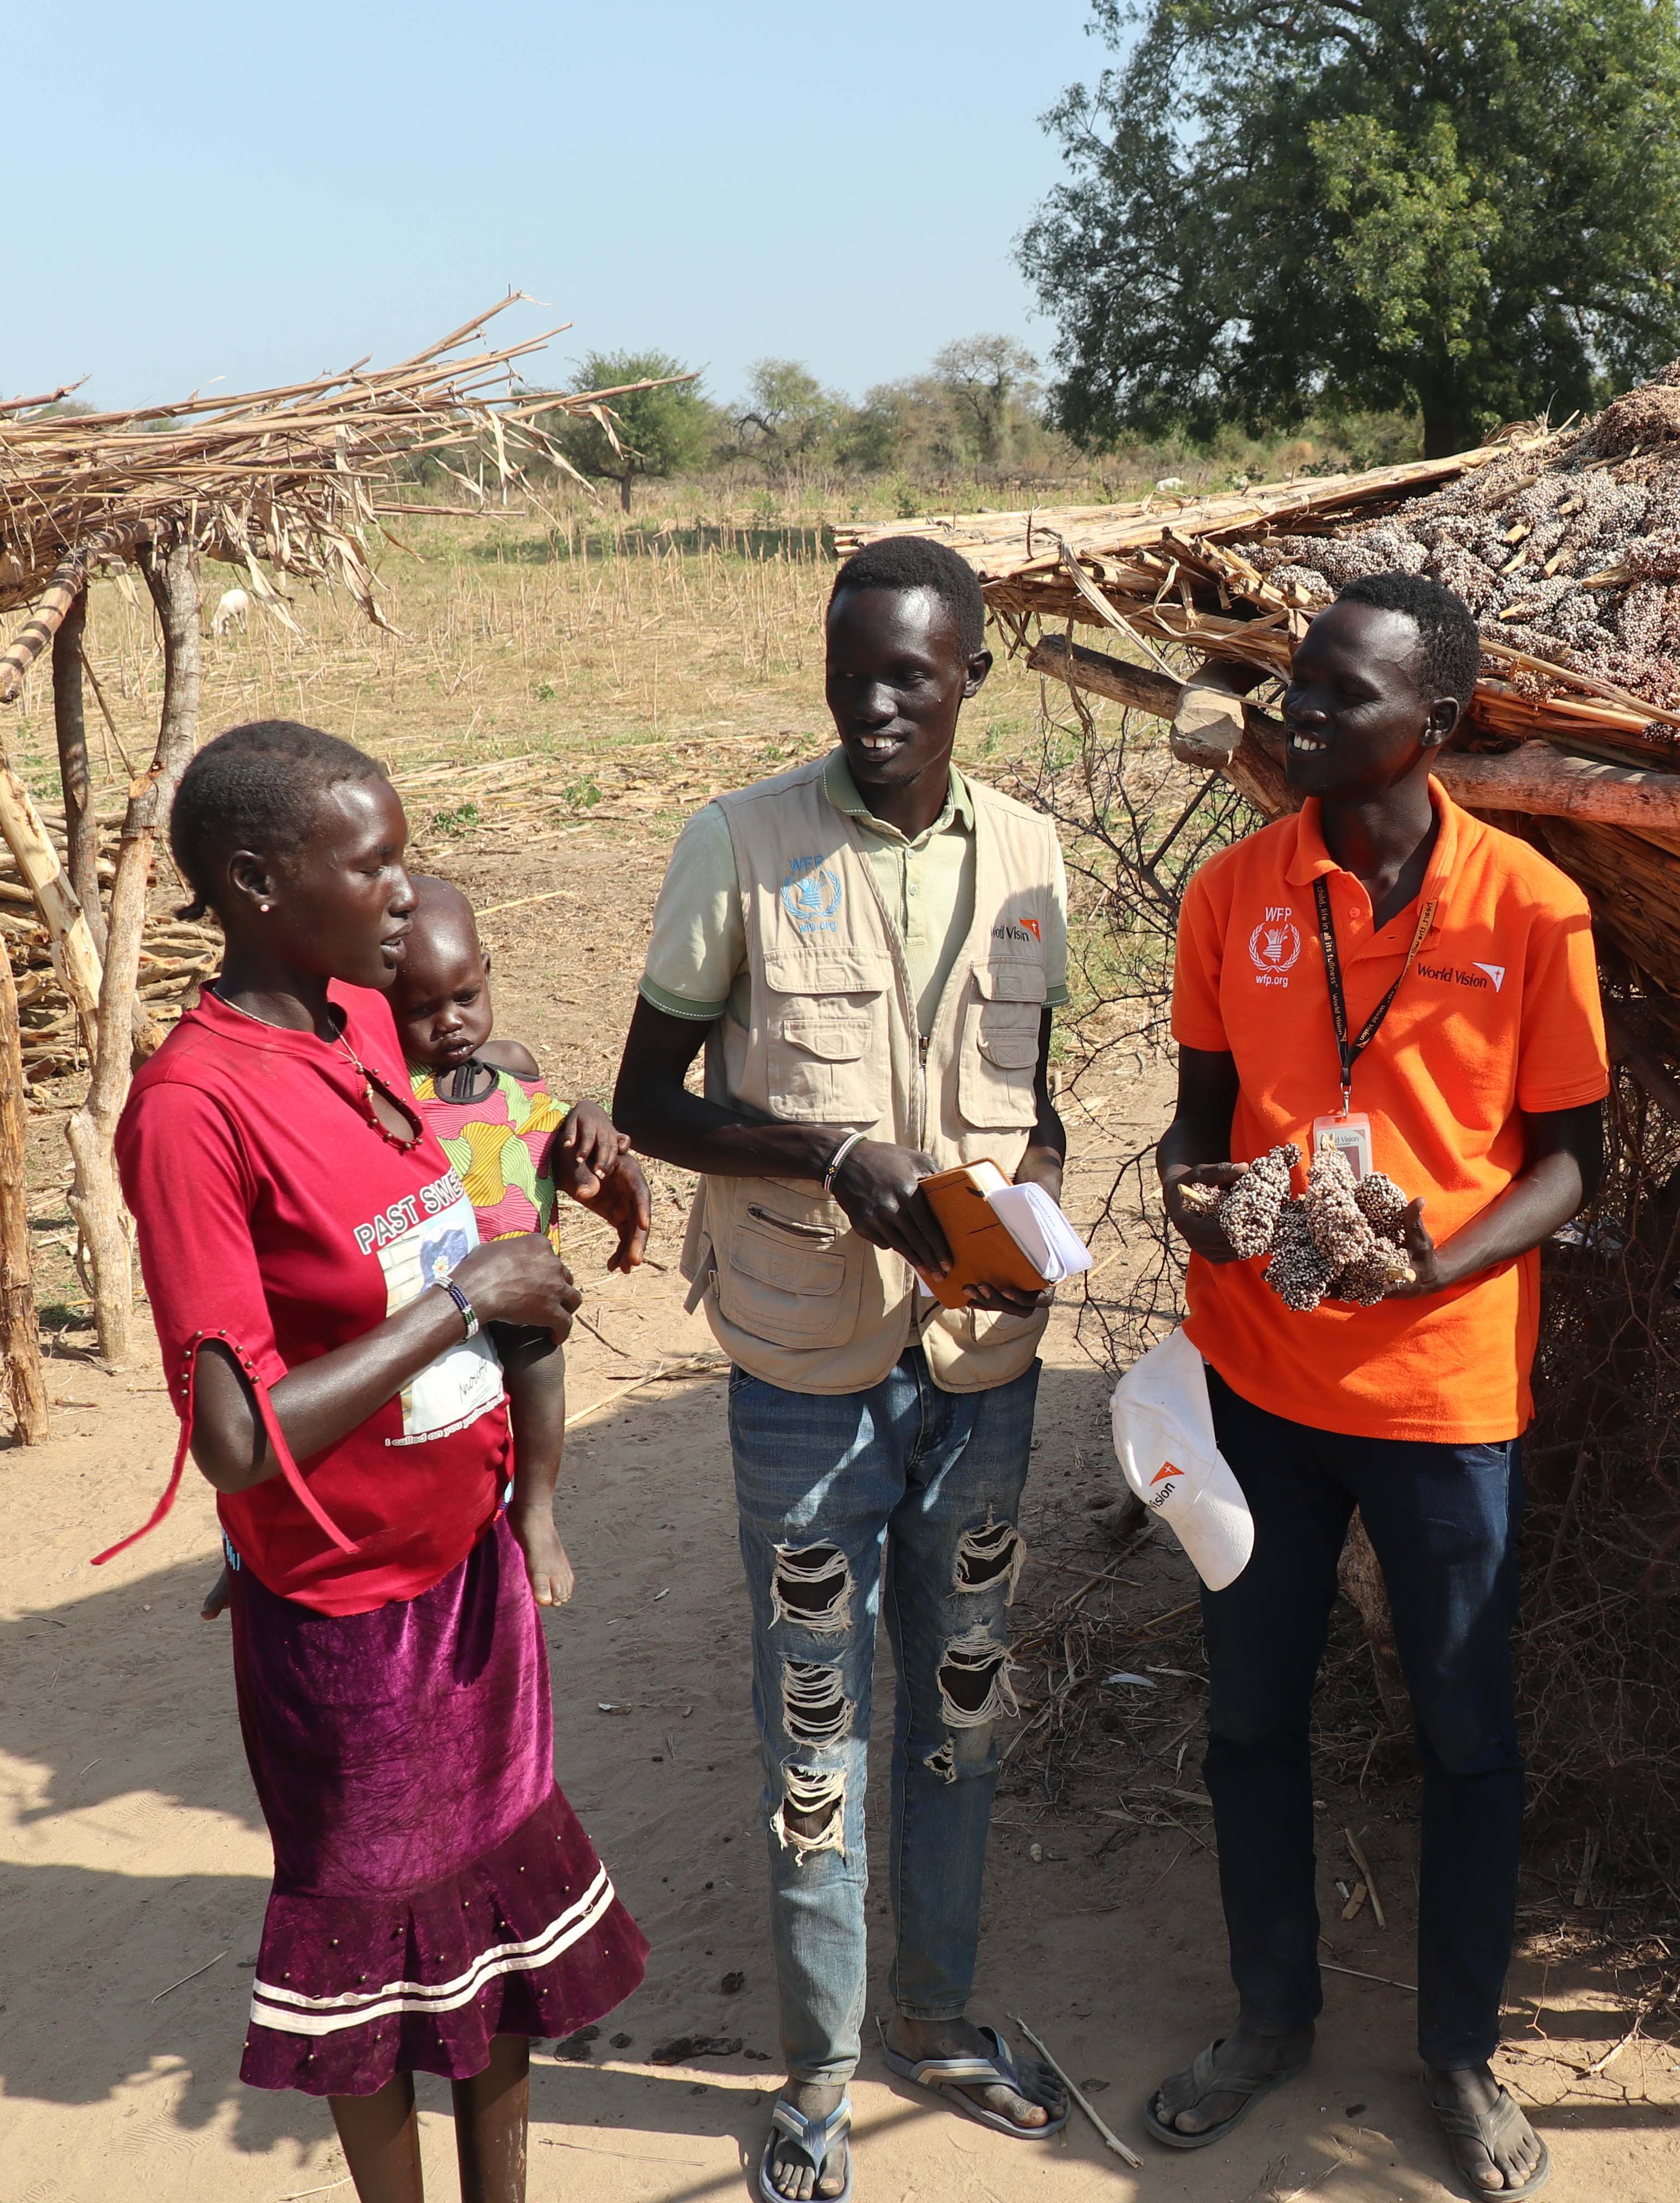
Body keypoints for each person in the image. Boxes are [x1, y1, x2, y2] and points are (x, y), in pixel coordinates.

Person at [101, 719, 647, 2203]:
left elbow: (487, 1087)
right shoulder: (195, 1112)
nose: (403, 892)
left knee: (489, 1948)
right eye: (375, 864)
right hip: (351, 1622)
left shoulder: (350, 1023)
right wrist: (466, 1301)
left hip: (472, 1571)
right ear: (259, 879)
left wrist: (561, 1142)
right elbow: (232, 1435)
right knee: (376, 1979)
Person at [612, 535, 1071, 2202]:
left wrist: (1037, 1213)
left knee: (964, 1704)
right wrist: (833, 1157)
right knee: (816, 1724)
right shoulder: (739, 845)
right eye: (847, 667)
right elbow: (650, 1102)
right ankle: (815, 2074)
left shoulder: (1031, 854)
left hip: (984, 1367)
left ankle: (941, 2023)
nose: (872, 706)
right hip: (805, 1367)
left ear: (971, 678)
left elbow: (1037, 1099)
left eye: (908, 676)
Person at [1150, 573, 1605, 2199]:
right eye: (1297, 690)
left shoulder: (1532, 910)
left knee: (1465, 1737)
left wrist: (1437, 1268)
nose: (1302, 720)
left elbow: (1570, 1167)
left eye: (1343, 697)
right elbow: (1196, 1117)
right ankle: (1271, 2017)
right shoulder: (1234, 895)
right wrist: (1200, 1199)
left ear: (1442, 725)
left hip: (1442, 1397)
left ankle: (1460, 2055)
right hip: (1263, 1384)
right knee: (1253, 1720)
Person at [390, 873, 656, 1607]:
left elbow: (555, 1119)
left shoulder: (512, 1066)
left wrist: (594, 1113)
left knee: (540, 1379)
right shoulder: (390, 1092)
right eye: (420, 1009)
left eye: (465, 997)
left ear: (488, 973)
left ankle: (536, 1511)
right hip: (434, 1297)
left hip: (529, 1288)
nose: (449, 1023)